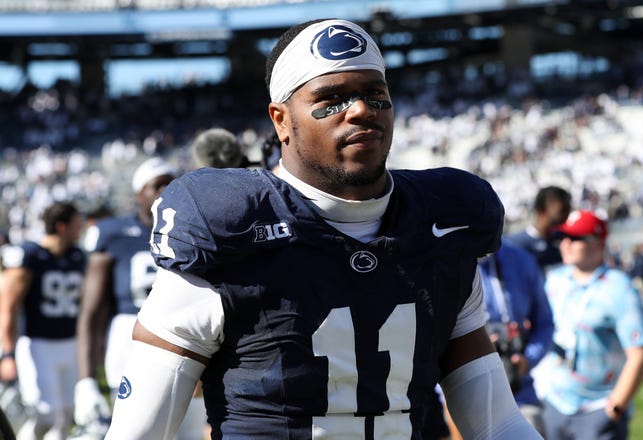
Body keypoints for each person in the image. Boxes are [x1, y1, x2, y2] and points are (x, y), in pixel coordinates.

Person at [105, 19, 542, 439]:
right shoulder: (228, 230)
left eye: (375, 93)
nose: (359, 110)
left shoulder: (440, 228)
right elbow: (138, 433)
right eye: (331, 98)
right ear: (281, 121)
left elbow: (498, 425)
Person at [73, 157, 177, 435]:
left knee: (185, 429)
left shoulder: (191, 229)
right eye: (157, 185)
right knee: (134, 429)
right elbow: (91, 311)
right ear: (138, 193)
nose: (165, 191)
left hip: (180, 332)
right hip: (129, 334)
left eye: (170, 183)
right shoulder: (113, 233)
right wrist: (85, 379)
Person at [542, 210, 643, 440]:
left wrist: (615, 408)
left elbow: (641, 354)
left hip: (597, 408)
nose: (566, 244)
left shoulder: (619, 289)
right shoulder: (555, 280)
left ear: (598, 243)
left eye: (576, 238)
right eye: (563, 237)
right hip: (555, 402)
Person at [0, 201, 85, 440]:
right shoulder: (30, 256)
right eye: (77, 224)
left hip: (70, 342)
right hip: (37, 343)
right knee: (46, 415)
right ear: (61, 227)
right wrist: (8, 354)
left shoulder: (77, 255)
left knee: (66, 415)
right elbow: (8, 306)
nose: (81, 229)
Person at [478, 241, 554, 435]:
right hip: (463, 395)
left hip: (520, 392)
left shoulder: (521, 261)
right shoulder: (441, 261)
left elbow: (544, 323)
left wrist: (528, 359)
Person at [508, 185, 572, 274]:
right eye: (561, 212)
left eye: (568, 211)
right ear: (541, 210)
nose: (567, 218)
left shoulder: (568, 241)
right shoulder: (514, 245)